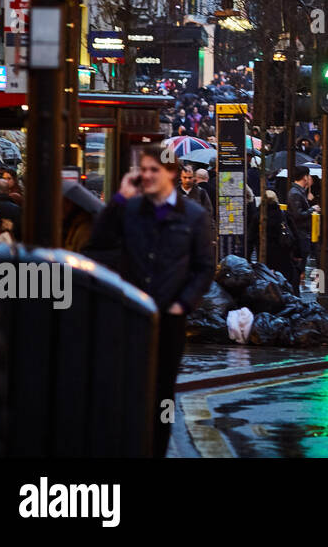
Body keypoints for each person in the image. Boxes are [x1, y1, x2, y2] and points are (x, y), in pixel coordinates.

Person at [84, 145, 213, 457]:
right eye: (144, 170)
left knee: (163, 393)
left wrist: (183, 303)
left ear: (170, 173)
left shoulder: (193, 216)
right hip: (130, 317)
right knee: (125, 387)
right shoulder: (130, 209)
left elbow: (204, 268)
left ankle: (158, 444)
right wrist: (118, 199)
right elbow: (96, 245)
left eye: (154, 170)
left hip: (169, 321)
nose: (147, 175)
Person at [286, 166, 316, 286]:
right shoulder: (295, 193)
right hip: (300, 233)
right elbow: (297, 214)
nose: (310, 179)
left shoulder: (299, 192)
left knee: (303, 260)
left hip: (302, 232)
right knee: (300, 262)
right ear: (305, 177)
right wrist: (311, 209)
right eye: (309, 176)